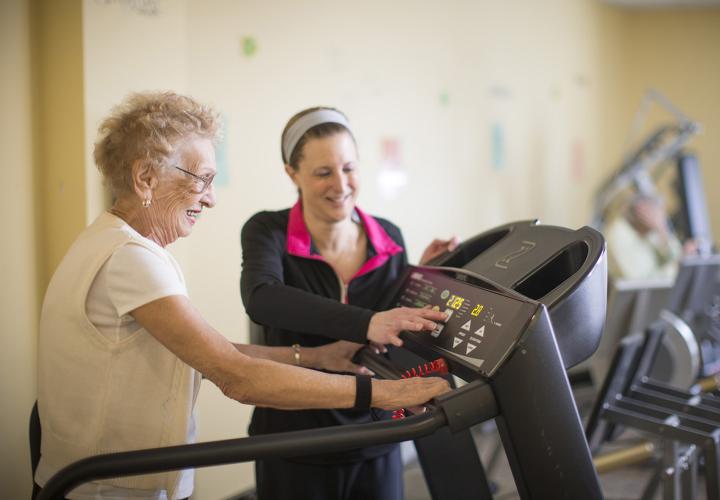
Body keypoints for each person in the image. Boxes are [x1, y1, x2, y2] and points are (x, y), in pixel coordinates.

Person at [35, 93, 449, 500]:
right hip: (108, 488)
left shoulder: (109, 242)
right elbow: (235, 374)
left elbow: (205, 351)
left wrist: (315, 357)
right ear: (145, 177)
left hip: (101, 477)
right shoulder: (131, 260)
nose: (211, 198)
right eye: (203, 180)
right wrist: (385, 393)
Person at [240, 106, 460, 500]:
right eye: (323, 172)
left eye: (349, 168)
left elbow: (391, 330)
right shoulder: (267, 231)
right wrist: (367, 321)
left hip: (373, 433)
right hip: (292, 439)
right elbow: (262, 298)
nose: (340, 184)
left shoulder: (388, 238)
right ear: (292, 174)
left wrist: (421, 276)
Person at [605, 194, 695, 280]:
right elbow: (643, 284)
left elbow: (674, 255)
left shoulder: (647, 230)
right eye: (658, 214)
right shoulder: (618, 236)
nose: (660, 219)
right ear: (640, 210)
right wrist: (678, 266)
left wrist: (663, 230)